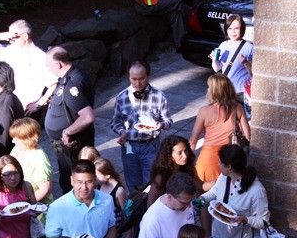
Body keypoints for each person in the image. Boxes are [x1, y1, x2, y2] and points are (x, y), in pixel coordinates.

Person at [111, 60, 173, 192]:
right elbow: (115, 121)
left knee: (151, 184)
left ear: (148, 75)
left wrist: (161, 124)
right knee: (132, 184)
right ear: (128, 77)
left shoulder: (158, 96)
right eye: (133, 79)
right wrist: (121, 132)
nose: (138, 83)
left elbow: (168, 121)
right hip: (129, 146)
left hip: (151, 145)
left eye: (141, 78)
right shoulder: (122, 97)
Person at [9, 117, 57, 238]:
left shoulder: (39, 158)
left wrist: (26, 205)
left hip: (37, 211)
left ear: (28, 138)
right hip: (21, 207)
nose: (13, 140)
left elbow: (45, 189)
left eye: (17, 137)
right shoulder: (16, 151)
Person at [44, 47, 96, 194]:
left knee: (77, 185)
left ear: (58, 64)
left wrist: (67, 132)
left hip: (73, 146)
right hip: (64, 148)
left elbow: (88, 116)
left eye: (48, 64)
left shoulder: (73, 83)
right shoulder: (68, 77)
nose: (47, 67)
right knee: (66, 180)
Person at [189, 73, 251, 189]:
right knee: (226, 194)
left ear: (213, 91)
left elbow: (193, 142)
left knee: (204, 197)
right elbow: (247, 137)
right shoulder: (238, 108)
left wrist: (187, 164)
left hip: (208, 160)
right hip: (229, 160)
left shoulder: (204, 111)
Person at [0, 19, 57, 111]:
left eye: (14, 36)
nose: (10, 40)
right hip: (5, 104)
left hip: (25, 108)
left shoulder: (39, 57)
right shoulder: (10, 50)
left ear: (25, 36)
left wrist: (38, 105)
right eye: (9, 36)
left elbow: (53, 84)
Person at [209, 15, 253, 103]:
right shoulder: (223, 45)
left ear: (242, 29)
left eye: (236, 28)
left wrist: (245, 62)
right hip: (226, 91)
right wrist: (214, 59)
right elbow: (217, 68)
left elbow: (254, 73)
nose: (233, 32)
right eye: (229, 28)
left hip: (241, 93)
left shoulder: (249, 47)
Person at [147, 135, 201, 207]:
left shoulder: (187, 169)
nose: (185, 156)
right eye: (179, 153)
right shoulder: (161, 176)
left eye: (186, 151)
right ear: (169, 155)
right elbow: (151, 205)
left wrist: (218, 181)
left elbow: (201, 185)